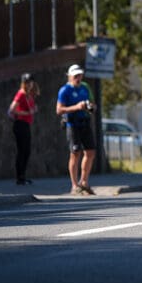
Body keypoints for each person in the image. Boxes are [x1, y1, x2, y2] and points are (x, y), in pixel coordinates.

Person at [56, 64, 97, 195]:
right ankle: (74, 185)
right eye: (75, 76)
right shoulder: (65, 90)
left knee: (90, 152)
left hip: (85, 122)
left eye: (80, 75)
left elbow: (93, 103)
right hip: (72, 124)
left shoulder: (85, 87)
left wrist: (91, 107)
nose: (78, 78)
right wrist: (76, 107)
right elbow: (59, 109)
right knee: (75, 153)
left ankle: (84, 182)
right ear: (70, 77)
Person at [9, 73, 39, 185]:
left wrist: (33, 109)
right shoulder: (21, 94)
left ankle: (23, 175)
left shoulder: (28, 94)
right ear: (24, 83)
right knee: (22, 150)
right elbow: (12, 109)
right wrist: (27, 112)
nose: (30, 84)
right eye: (28, 82)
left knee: (26, 151)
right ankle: (19, 177)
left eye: (31, 82)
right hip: (20, 124)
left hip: (26, 124)